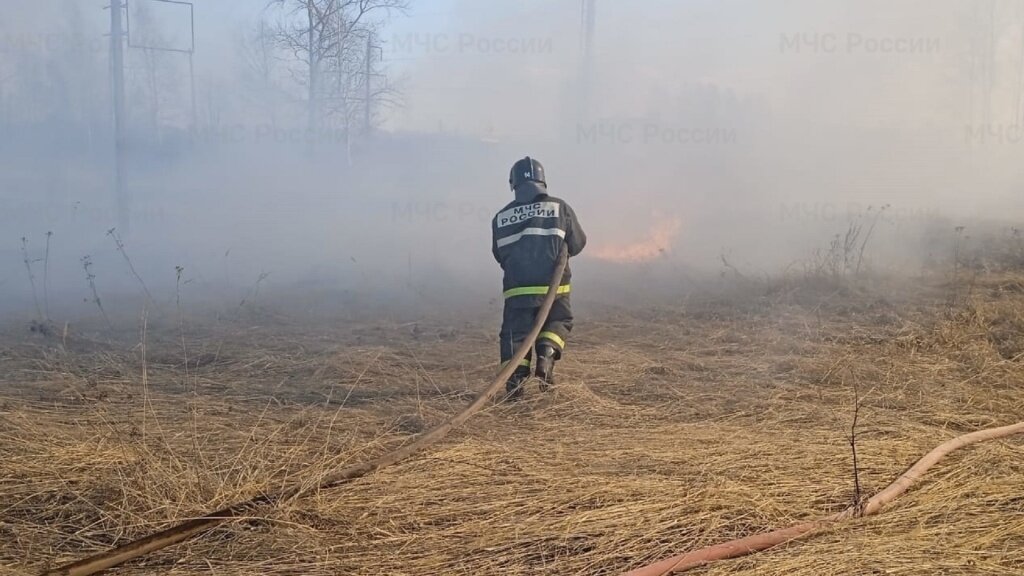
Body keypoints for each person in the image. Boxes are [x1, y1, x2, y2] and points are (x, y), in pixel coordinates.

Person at [491, 157, 587, 399]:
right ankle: (546, 357)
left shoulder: (500, 217)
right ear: (542, 182)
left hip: (517, 292)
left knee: (515, 336)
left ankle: (515, 384)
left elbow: (499, 255)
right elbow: (578, 244)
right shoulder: (559, 207)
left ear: (513, 185)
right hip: (555, 289)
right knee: (557, 323)